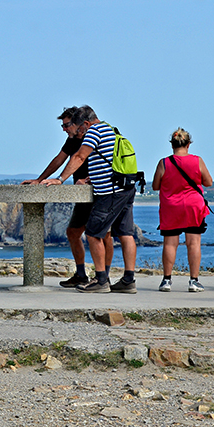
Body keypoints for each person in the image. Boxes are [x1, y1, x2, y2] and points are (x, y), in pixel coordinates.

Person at [39, 106, 137, 294]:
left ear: (85, 123)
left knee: (93, 233)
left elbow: (80, 156)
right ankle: (128, 280)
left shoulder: (94, 131)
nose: (80, 133)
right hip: (126, 187)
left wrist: (60, 179)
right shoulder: (111, 129)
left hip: (110, 192)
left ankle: (101, 281)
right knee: (125, 233)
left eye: (80, 128)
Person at [21, 107, 113, 288]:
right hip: (81, 194)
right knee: (73, 233)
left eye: (66, 125)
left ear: (78, 124)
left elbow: (101, 160)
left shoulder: (93, 136)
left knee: (105, 235)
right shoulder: (71, 140)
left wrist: (67, 180)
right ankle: (81, 275)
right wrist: (40, 180)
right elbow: (59, 159)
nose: (64, 129)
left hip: (100, 191)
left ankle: (104, 277)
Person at [152, 128, 212, 293]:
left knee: (170, 244)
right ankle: (194, 280)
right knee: (193, 243)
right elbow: (208, 182)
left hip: (171, 207)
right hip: (193, 207)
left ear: (172, 144)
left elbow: (155, 186)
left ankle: (166, 280)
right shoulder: (197, 161)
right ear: (188, 144)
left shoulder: (164, 163)